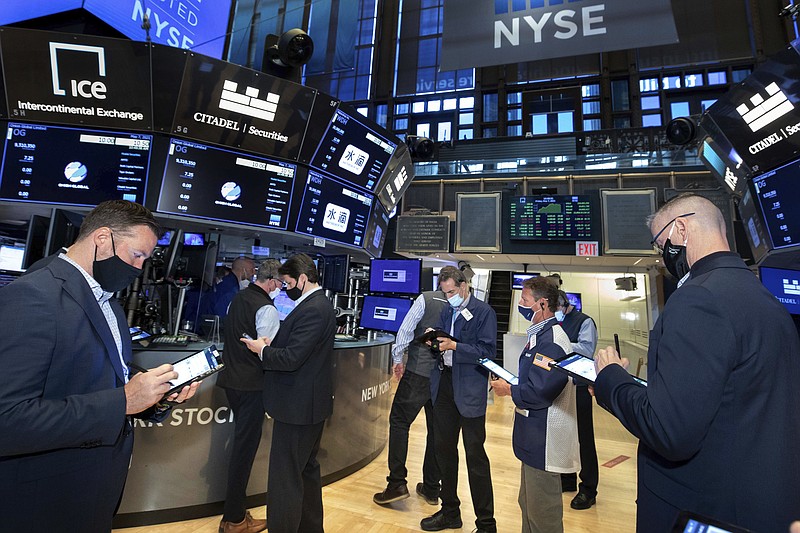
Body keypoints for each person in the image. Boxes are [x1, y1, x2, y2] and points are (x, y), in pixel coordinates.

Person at [593, 193, 800, 532]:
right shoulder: (763, 295)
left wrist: (611, 378)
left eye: (661, 246)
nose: (662, 259)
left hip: (703, 511)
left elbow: (669, 432)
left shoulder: (698, 299)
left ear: (681, 229)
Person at [0, 200, 198, 532]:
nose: (138, 267)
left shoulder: (107, 301)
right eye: (137, 255)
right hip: (46, 501)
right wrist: (124, 401)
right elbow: (7, 419)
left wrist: (154, 394)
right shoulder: (34, 295)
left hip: (92, 492)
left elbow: (106, 374)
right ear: (102, 238)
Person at [241, 253, 336, 533]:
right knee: (305, 472)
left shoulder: (314, 308)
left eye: (288, 282)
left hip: (298, 408)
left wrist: (264, 351)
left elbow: (292, 359)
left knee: (285, 480)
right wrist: (274, 345)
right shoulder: (315, 305)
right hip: (306, 406)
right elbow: (299, 350)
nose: (284, 287)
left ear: (303, 279)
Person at [492, 277, 579, 533]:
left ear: (542, 303)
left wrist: (508, 389)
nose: (520, 304)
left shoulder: (551, 340)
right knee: (528, 505)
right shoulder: (540, 335)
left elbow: (541, 392)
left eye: (525, 300)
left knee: (543, 515)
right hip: (533, 437)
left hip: (545, 441)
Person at [421, 265, 497, 533]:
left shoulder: (484, 312)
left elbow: (486, 350)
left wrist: (455, 346)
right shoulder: (446, 309)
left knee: (475, 457)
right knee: (443, 450)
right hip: (444, 384)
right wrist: (434, 340)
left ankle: (486, 524)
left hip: (470, 389)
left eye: (452, 291)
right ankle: (450, 511)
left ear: (464, 286)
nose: (449, 296)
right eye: (445, 292)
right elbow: (441, 340)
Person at [216, 259, 284, 533]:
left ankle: (233, 514)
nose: (281, 288)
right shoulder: (266, 308)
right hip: (252, 386)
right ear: (272, 281)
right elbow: (266, 351)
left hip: (232, 381)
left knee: (240, 449)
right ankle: (234, 520)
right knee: (244, 453)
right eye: (280, 284)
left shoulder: (238, 298)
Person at [373, 288, 448, 506]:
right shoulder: (461, 304)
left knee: (399, 422)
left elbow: (406, 331)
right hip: (442, 377)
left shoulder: (425, 299)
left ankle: (396, 483)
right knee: (436, 431)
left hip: (418, 373)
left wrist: (397, 358)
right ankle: (432, 488)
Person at [556, 290, 599, 510]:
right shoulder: (556, 321)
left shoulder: (585, 322)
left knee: (584, 438)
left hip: (580, 386)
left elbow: (587, 350)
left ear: (565, 305)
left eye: (557, 309)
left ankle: (589, 489)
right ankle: (568, 478)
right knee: (564, 434)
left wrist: (559, 344)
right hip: (561, 386)